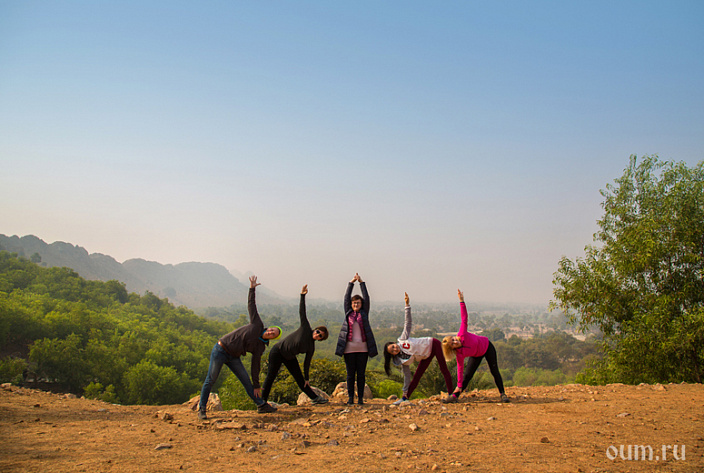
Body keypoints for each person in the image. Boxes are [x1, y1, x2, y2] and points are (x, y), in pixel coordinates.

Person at [198, 275, 281, 419]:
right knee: (210, 379)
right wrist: (252, 289)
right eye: (272, 330)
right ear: (269, 328)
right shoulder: (257, 325)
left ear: (272, 338)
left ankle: (261, 405)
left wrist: (257, 385)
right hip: (221, 350)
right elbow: (252, 306)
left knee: (247, 382)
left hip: (234, 357)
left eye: (273, 334)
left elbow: (255, 365)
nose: (270, 333)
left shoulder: (260, 347)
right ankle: (202, 409)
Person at [261, 284, 330, 405]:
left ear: (320, 340)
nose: (317, 335)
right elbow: (302, 312)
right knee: (271, 377)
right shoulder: (305, 328)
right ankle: (262, 402)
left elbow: (307, 362)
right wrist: (302, 295)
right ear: (315, 329)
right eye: (318, 332)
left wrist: (307, 378)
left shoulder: (311, 347)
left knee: (300, 379)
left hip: (289, 357)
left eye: (320, 336)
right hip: (277, 352)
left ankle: (315, 398)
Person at [383, 292, 454, 405]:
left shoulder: (402, 339)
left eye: (393, 347)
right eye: (393, 351)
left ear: (394, 343)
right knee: (417, 376)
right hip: (425, 356)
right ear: (393, 355)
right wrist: (404, 391)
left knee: (443, 368)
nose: (395, 349)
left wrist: (407, 305)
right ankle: (405, 398)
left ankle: (451, 394)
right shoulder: (403, 361)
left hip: (432, 344)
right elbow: (407, 376)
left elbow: (407, 323)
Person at [441, 289, 509, 403]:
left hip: (487, 347)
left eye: (453, 339)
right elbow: (460, 370)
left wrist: (461, 301)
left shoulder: (462, 334)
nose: (455, 341)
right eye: (452, 344)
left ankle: (503, 394)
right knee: (467, 376)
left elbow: (464, 318)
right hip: (476, 355)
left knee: (494, 370)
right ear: (452, 349)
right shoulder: (459, 354)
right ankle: (454, 396)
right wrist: (459, 385)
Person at [335, 273, 378, 405]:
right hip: (349, 349)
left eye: (358, 303)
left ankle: (360, 399)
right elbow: (346, 298)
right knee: (350, 375)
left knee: (361, 374)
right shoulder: (348, 313)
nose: (356, 304)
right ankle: (350, 398)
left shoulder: (364, 313)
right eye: (354, 303)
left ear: (361, 304)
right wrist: (351, 282)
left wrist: (361, 282)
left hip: (363, 349)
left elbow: (367, 298)